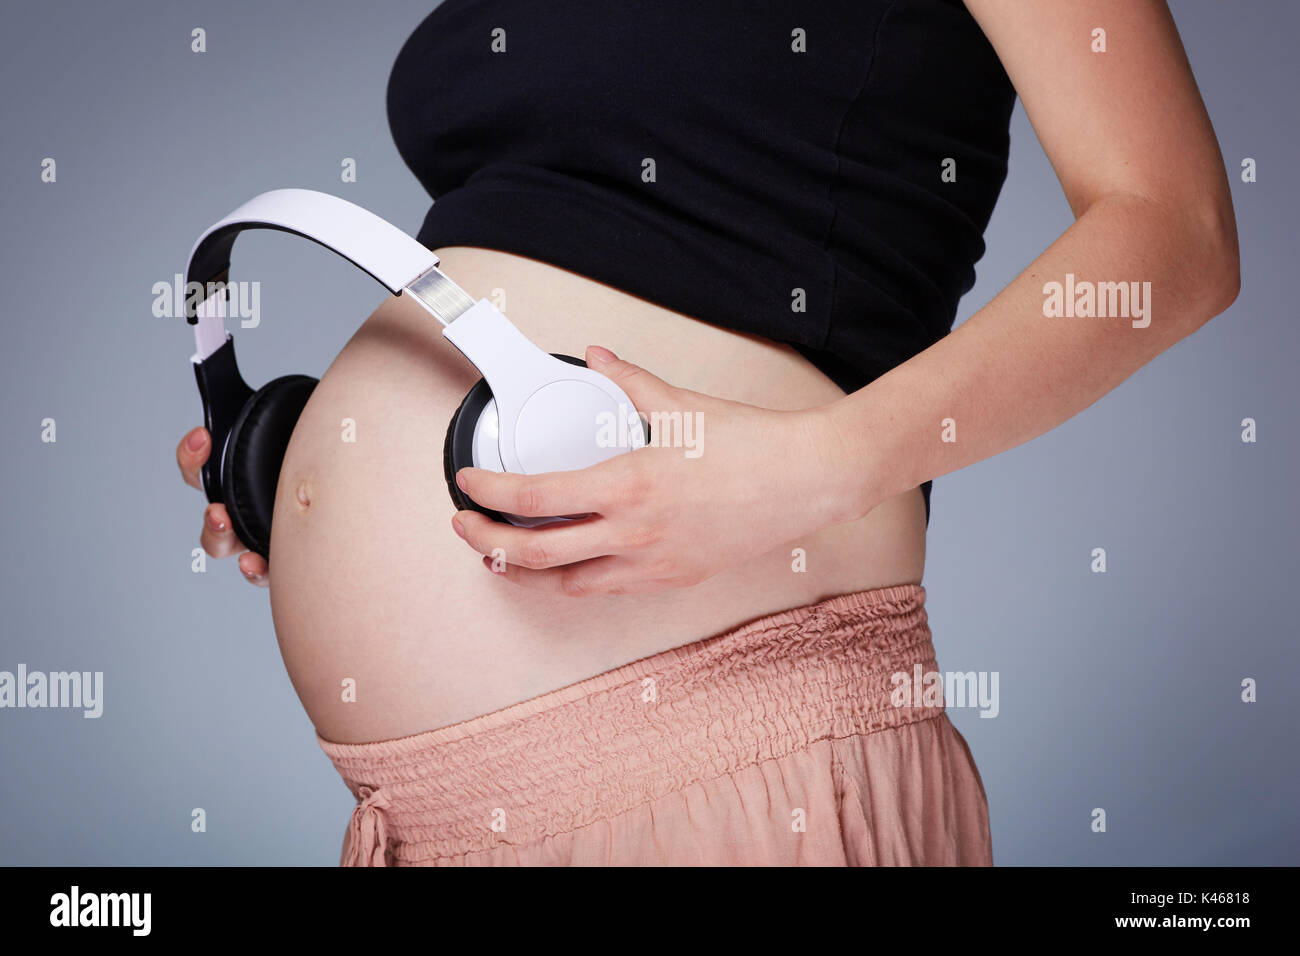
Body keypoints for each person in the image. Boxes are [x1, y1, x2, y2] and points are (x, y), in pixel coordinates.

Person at [174, 0, 1239, 866]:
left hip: (729, 774)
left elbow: (1175, 228)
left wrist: (813, 466)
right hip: (426, 819)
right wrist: (318, 468)